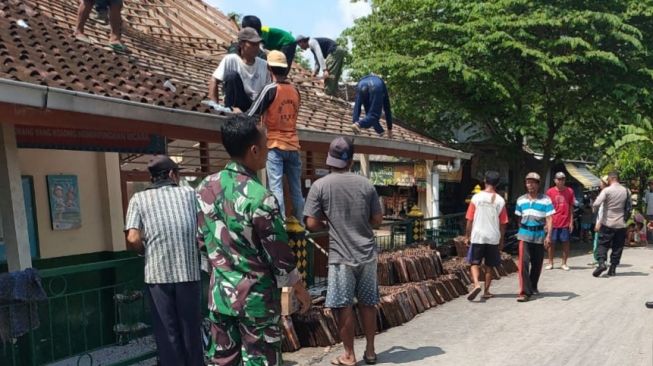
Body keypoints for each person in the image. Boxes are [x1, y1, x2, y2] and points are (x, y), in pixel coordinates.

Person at [196, 115, 311, 365]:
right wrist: (300, 290)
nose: (269, 150)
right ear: (254, 150)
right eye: (266, 144)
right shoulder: (261, 197)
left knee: (223, 361)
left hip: (220, 297)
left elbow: (202, 242)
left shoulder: (205, 187)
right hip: (256, 302)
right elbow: (280, 256)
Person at [304, 136, 382, 366]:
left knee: (343, 306)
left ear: (331, 160)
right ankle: (370, 351)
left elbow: (310, 223)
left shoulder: (320, 186)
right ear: (350, 161)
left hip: (341, 257)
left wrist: (329, 226)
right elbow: (377, 219)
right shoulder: (366, 184)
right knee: (368, 304)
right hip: (367, 254)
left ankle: (349, 355)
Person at [124, 155, 203, 366]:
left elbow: (132, 237)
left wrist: (144, 251)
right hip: (188, 273)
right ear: (171, 174)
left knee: (167, 333)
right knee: (191, 330)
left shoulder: (138, 199)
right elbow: (204, 227)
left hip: (157, 276)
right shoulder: (189, 194)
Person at [247, 51, 304, 221]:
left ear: (269, 67)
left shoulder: (270, 89)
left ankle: (279, 226)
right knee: (296, 189)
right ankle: (299, 223)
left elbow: (252, 113)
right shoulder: (295, 91)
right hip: (293, 145)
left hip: (274, 145)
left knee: (276, 188)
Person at [463, 171, 509, 301]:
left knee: (474, 263)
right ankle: (486, 291)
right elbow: (503, 223)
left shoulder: (476, 198)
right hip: (493, 237)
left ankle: (477, 284)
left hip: (478, 235)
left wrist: (467, 235)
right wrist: (501, 239)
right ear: (498, 183)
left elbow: (469, 219)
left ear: (484, 181)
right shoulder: (500, 200)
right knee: (489, 265)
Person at [208, 27, 271, 113]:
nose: (256, 48)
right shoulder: (231, 59)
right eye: (253, 44)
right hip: (236, 103)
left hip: (255, 107)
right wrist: (215, 107)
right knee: (231, 76)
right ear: (241, 44)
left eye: (258, 44)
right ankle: (230, 111)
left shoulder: (264, 65)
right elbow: (214, 80)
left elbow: (269, 92)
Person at [514, 172, 554, 302]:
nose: (530, 185)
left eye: (533, 182)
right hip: (524, 235)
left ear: (538, 184)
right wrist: (521, 229)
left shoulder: (546, 200)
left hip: (539, 235)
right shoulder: (521, 200)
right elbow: (518, 217)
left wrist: (548, 235)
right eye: (528, 182)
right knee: (523, 263)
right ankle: (524, 292)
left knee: (537, 263)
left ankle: (533, 285)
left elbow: (549, 218)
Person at [592, 171, 629, 277]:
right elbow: (629, 207)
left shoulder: (607, 190)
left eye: (608, 179)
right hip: (621, 224)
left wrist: (594, 210)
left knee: (602, 244)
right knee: (618, 247)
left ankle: (602, 263)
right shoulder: (626, 190)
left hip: (608, 223)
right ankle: (612, 269)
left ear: (611, 178)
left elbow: (596, 203)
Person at [545, 172, 575, 271]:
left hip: (565, 222)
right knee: (551, 243)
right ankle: (550, 262)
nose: (560, 181)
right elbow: (547, 208)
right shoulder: (549, 192)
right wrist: (546, 223)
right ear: (554, 180)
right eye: (558, 179)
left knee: (565, 242)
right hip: (553, 222)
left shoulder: (570, 191)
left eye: (562, 179)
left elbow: (571, 207)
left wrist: (571, 222)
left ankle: (564, 263)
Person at [643, 178, 653, 243]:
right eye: (650, 184)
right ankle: (649, 240)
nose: (651, 185)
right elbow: (645, 203)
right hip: (649, 212)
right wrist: (644, 212)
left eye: (652, 184)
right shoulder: (646, 192)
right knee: (649, 226)